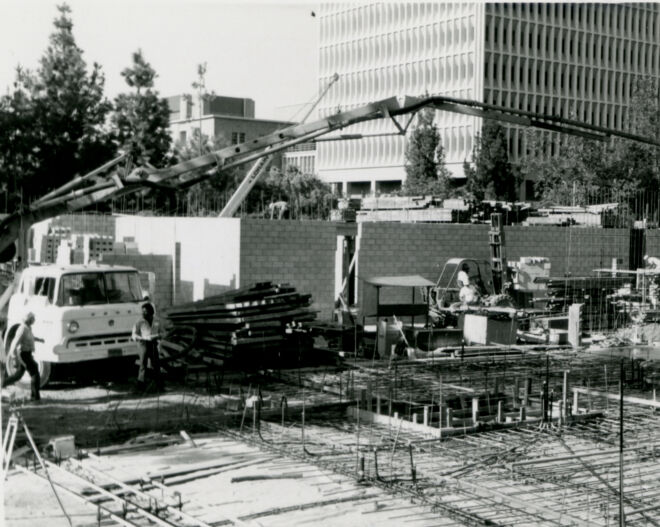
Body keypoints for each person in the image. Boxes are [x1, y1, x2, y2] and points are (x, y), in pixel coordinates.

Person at [3, 312, 43, 401]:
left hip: (28, 354)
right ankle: (35, 396)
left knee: (18, 375)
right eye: (33, 319)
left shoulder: (28, 328)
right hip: (23, 354)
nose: (34, 320)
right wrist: (14, 358)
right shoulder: (22, 329)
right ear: (29, 319)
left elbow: (31, 337)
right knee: (34, 372)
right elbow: (14, 344)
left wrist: (39, 340)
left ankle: (2, 384)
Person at [131, 302, 163, 393]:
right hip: (143, 344)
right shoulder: (139, 322)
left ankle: (159, 386)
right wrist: (140, 338)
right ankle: (140, 386)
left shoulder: (157, 321)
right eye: (142, 311)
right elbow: (133, 335)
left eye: (145, 311)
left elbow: (163, 332)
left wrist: (159, 336)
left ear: (151, 312)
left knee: (156, 364)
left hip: (153, 343)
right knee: (143, 365)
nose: (143, 313)